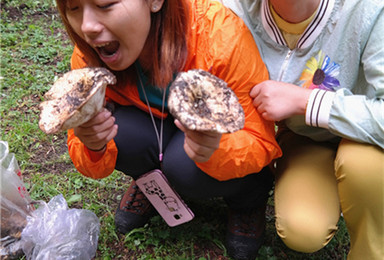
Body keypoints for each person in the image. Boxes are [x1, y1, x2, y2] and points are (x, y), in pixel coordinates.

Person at [54, 0, 282, 259]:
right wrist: (93, 143)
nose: (87, 26)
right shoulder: (90, 52)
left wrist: (217, 146)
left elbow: (260, 139)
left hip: (213, 141)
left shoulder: (219, 34)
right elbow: (83, 147)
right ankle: (150, 182)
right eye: (73, 8)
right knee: (118, 134)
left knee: (183, 167)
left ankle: (247, 202)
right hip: (156, 127)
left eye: (105, 4)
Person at [222, 0, 384, 259]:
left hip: (366, 139)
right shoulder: (234, 8)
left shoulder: (369, 9)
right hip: (305, 138)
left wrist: (304, 101)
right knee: (303, 229)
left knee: (363, 168)